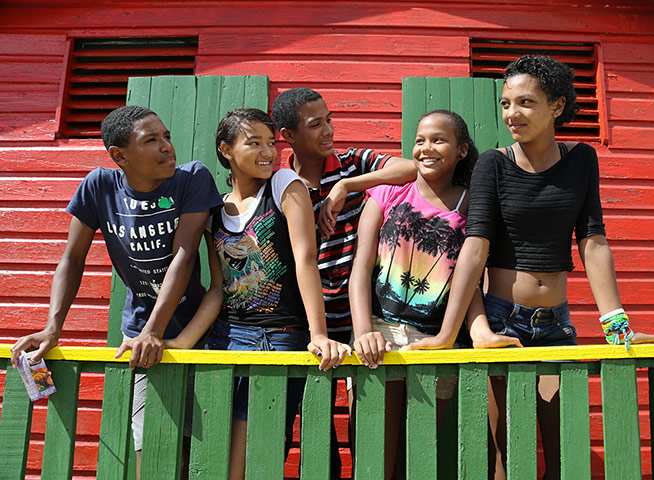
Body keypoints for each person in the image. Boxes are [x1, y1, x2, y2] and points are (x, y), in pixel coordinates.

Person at [432, 55, 654, 479]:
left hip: (557, 325)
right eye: (505, 104)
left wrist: (617, 327)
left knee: (561, 455)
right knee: (503, 458)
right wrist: (449, 333)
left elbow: (592, 242)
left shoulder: (581, 160)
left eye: (525, 103)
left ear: (556, 106)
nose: (511, 114)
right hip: (503, 323)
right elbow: (475, 247)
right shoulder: (493, 164)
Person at [10, 105, 224, 476]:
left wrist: (154, 333)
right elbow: (72, 260)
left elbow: (184, 256)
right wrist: (52, 326)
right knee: (151, 447)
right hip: (139, 334)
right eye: (152, 140)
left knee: (198, 451)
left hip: (197, 332)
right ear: (119, 156)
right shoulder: (99, 186)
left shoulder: (191, 178)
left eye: (167, 136)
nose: (167, 147)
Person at [163, 108, 351, 480]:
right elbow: (219, 289)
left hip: (278, 338)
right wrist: (183, 342)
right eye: (254, 143)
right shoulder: (215, 209)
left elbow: (306, 260)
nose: (268, 152)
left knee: (247, 463)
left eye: (271, 143)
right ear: (226, 149)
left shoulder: (284, 184)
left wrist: (318, 335)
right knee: (208, 453)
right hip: (222, 339)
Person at [271, 87, 416, 477]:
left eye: (329, 119)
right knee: (315, 428)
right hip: (308, 320)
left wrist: (346, 186)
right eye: (315, 124)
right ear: (288, 135)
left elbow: (410, 168)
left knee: (365, 421)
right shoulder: (280, 183)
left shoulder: (354, 163)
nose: (328, 130)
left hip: (359, 316)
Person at [348, 109, 479, 479]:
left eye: (438, 140)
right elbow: (361, 270)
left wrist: (459, 335)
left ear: (462, 150)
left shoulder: (470, 204)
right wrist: (362, 332)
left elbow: (471, 283)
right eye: (420, 140)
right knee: (374, 463)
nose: (426, 148)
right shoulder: (387, 193)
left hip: (435, 341)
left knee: (417, 463)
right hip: (380, 335)